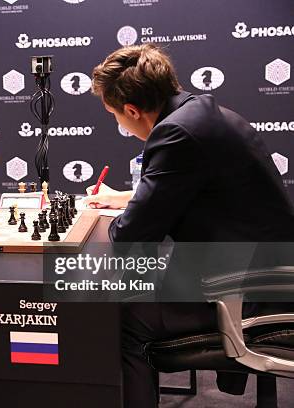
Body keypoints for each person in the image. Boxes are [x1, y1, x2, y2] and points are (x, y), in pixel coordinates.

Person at [85, 44, 294, 407]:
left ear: (132, 110)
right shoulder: (205, 113)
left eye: (114, 114)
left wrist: (119, 217)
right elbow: (199, 190)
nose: (118, 122)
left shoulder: (175, 134)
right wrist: (128, 198)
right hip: (270, 275)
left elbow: (131, 235)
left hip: (247, 294)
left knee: (119, 318)